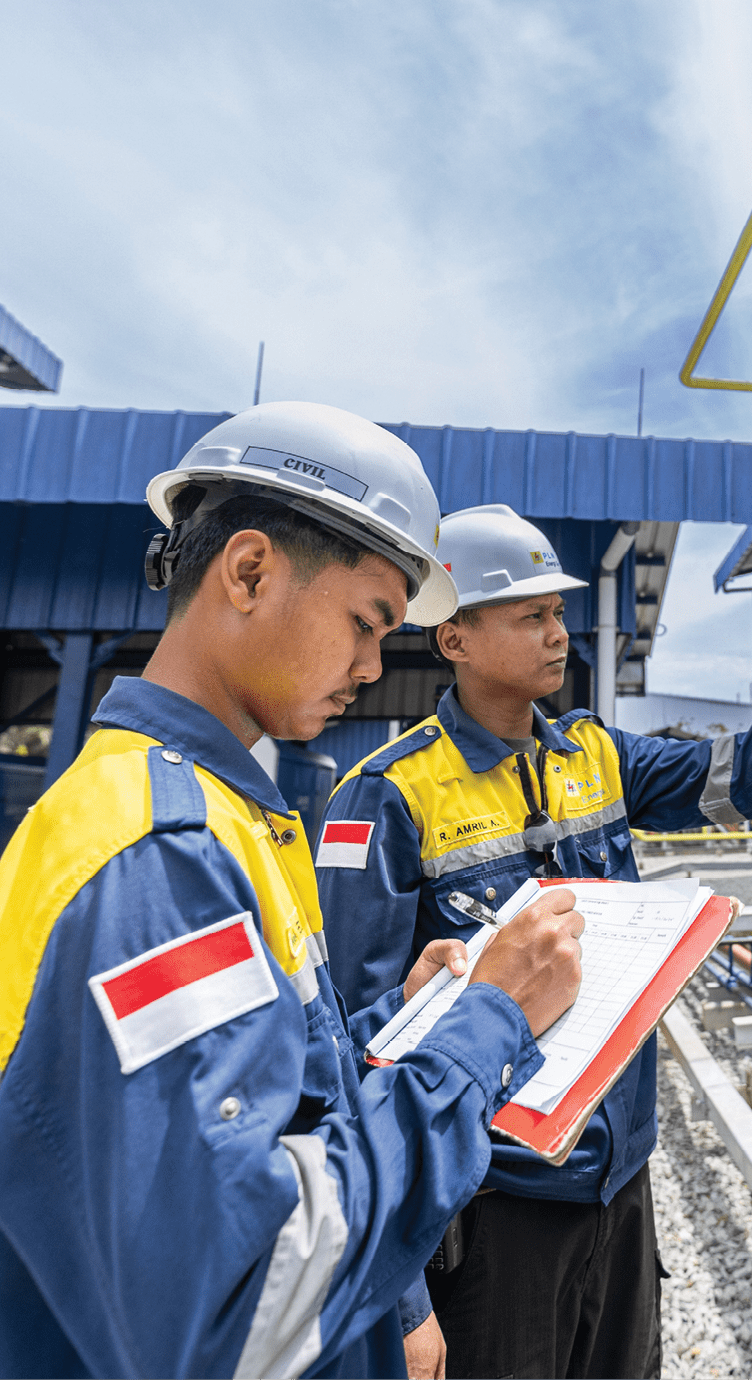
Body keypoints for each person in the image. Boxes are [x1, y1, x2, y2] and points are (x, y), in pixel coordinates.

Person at [0, 407, 586, 1380]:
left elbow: (262, 1100)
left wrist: (390, 1019)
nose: (369, 665)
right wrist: (487, 1023)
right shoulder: (160, 852)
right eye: (365, 622)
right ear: (248, 571)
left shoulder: (222, 813)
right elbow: (244, 1290)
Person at [315, 502, 752, 1380]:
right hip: (491, 1211)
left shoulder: (597, 756)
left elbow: (743, 774)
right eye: (530, 615)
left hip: (618, 1184)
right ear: (453, 638)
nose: (557, 632)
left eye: (558, 611)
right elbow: (352, 1049)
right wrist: (401, 1296)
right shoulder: (388, 797)